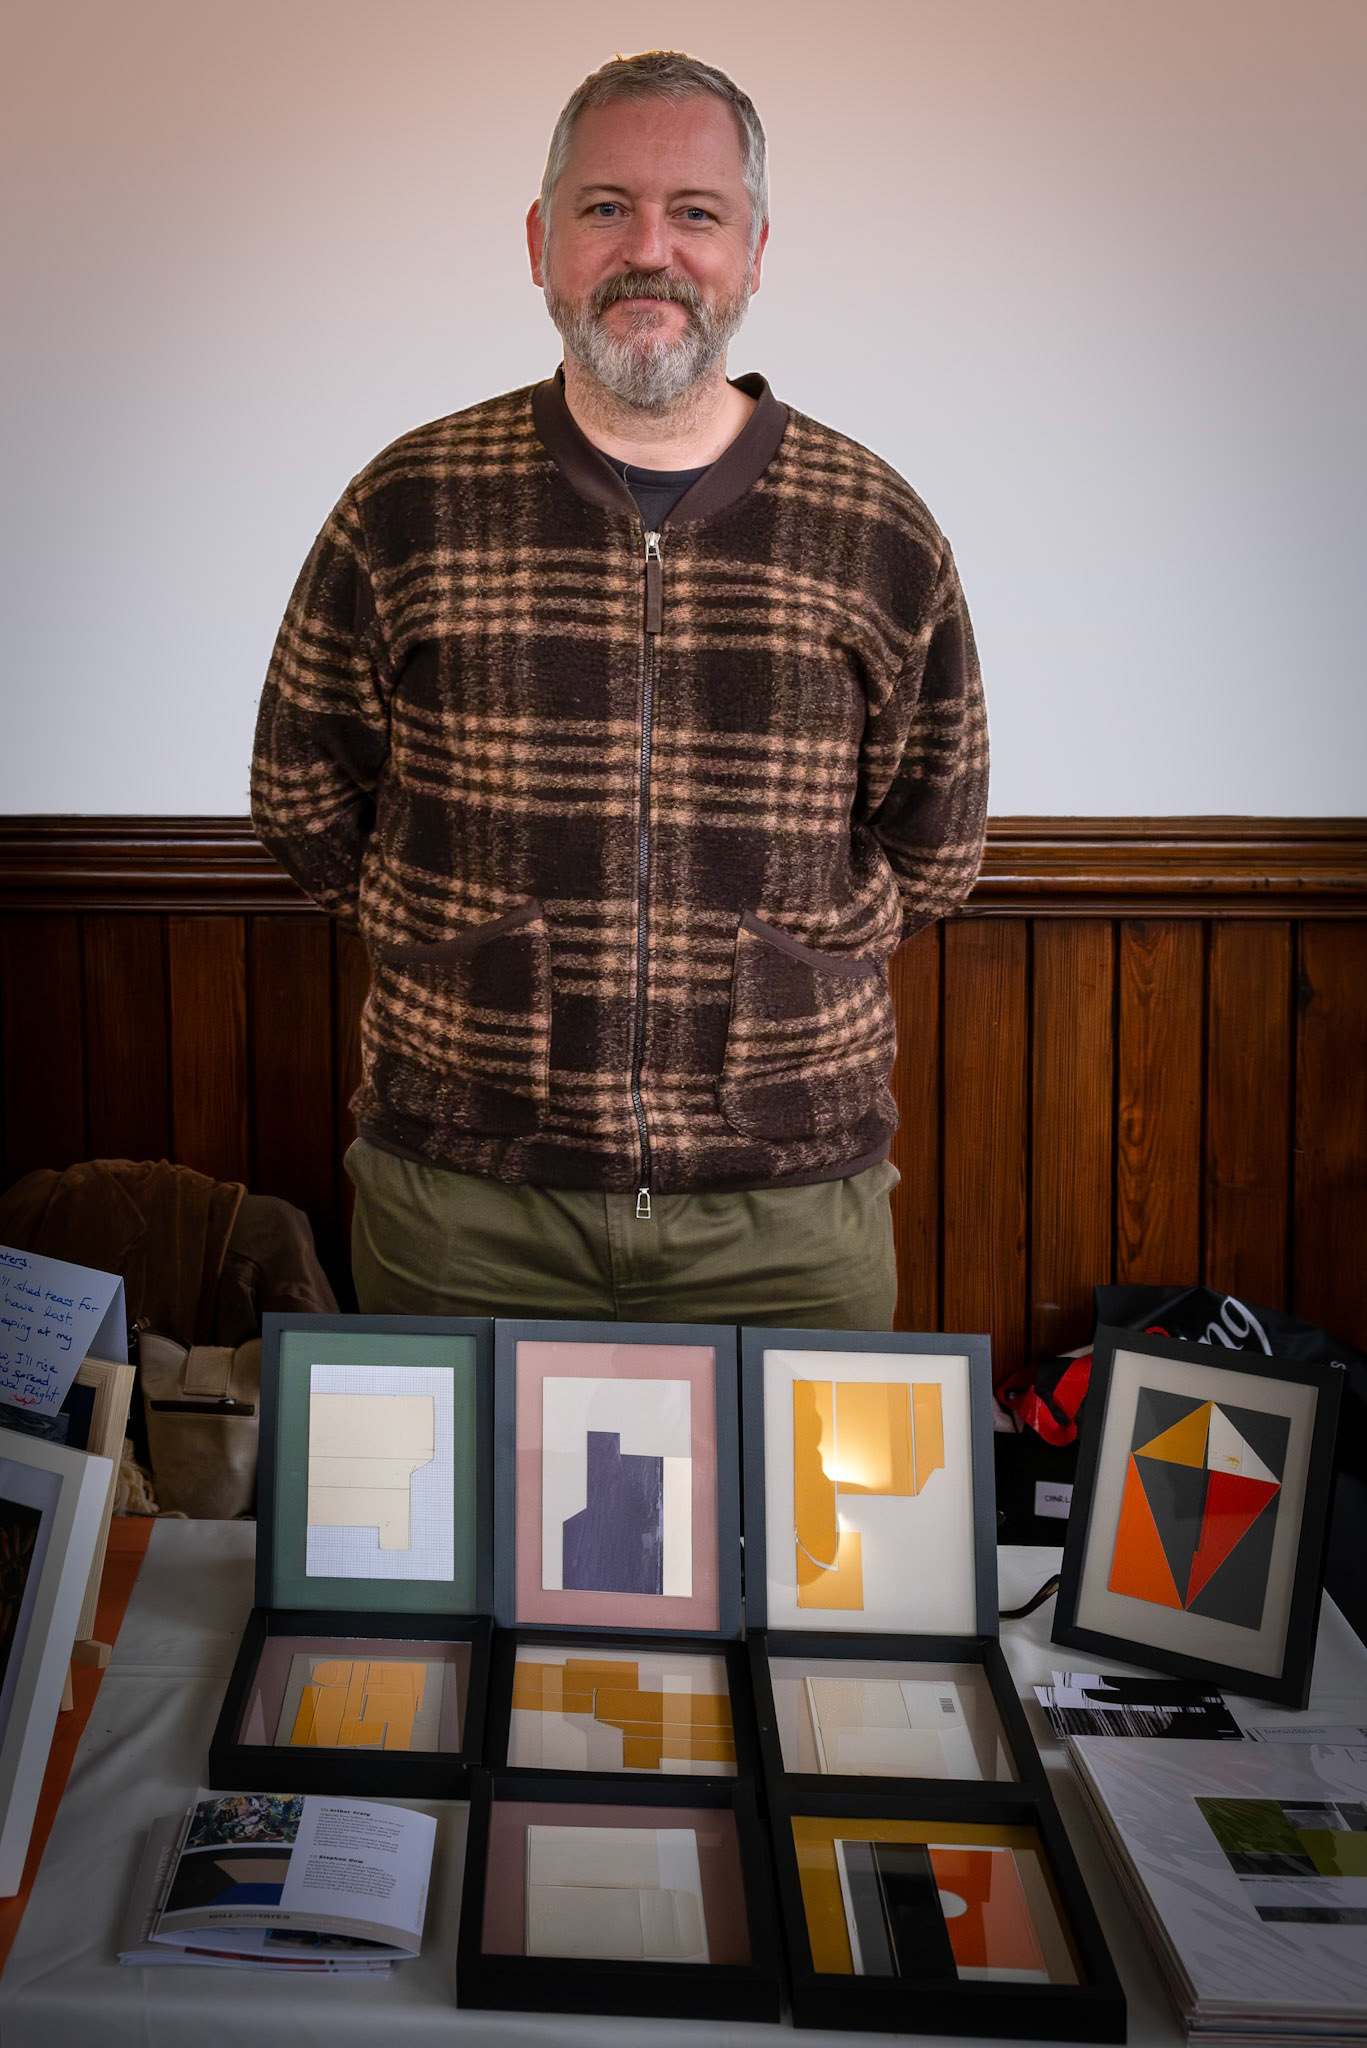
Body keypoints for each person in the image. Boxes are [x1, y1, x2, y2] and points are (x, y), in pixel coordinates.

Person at [251, 50, 988, 1330]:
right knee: (456, 1480)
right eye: (606, 207)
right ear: (541, 242)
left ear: (753, 252)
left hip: (785, 1215)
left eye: (694, 212)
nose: (649, 249)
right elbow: (302, 791)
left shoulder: (872, 524)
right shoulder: (411, 501)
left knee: (800, 1482)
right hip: (463, 1200)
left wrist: (788, 964)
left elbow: (935, 840)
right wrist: (455, 942)